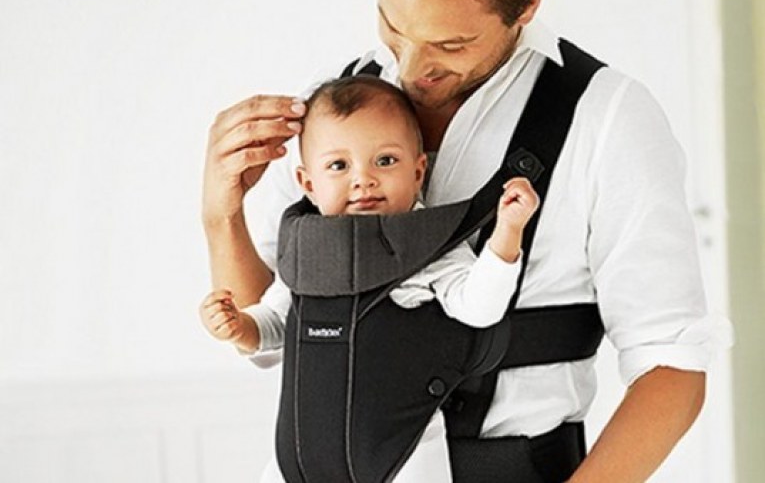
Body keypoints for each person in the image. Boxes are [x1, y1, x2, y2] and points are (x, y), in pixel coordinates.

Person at [202, 0, 731, 481]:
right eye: (392, 26)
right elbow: (270, 338)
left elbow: (672, 369)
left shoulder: (607, 117)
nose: (409, 69)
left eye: (450, 45)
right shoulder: (329, 111)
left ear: (528, 1)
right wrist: (221, 213)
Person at [200, 75, 540, 482]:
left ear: (418, 172)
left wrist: (507, 234)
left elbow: (479, 309)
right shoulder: (308, 246)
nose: (363, 179)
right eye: (339, 166)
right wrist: (241, 326)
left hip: (405, 450)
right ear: (308, 184)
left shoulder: (428, 243)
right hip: (302, 454)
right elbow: (277, 323)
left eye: (385, 161)